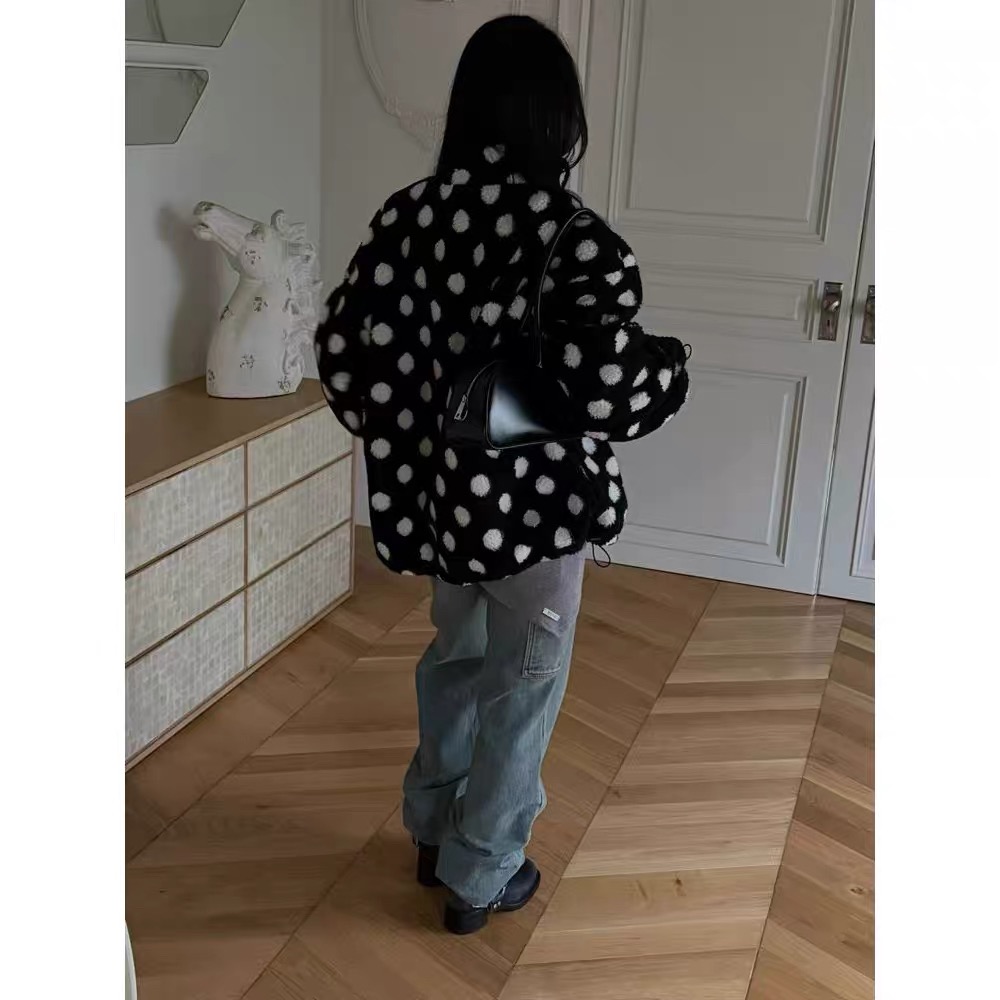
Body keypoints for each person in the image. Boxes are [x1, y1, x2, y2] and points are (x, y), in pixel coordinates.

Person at [314, 14, 689, 935]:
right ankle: (481, 873)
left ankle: (432, 831)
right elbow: (610, 389)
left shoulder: (408, 217)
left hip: (444, 511)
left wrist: (421, 439)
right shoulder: (575, 240)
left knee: (455, 659)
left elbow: (346, 355)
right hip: (537, 517)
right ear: (559, 120)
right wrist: (670, 369)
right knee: (523, 685)